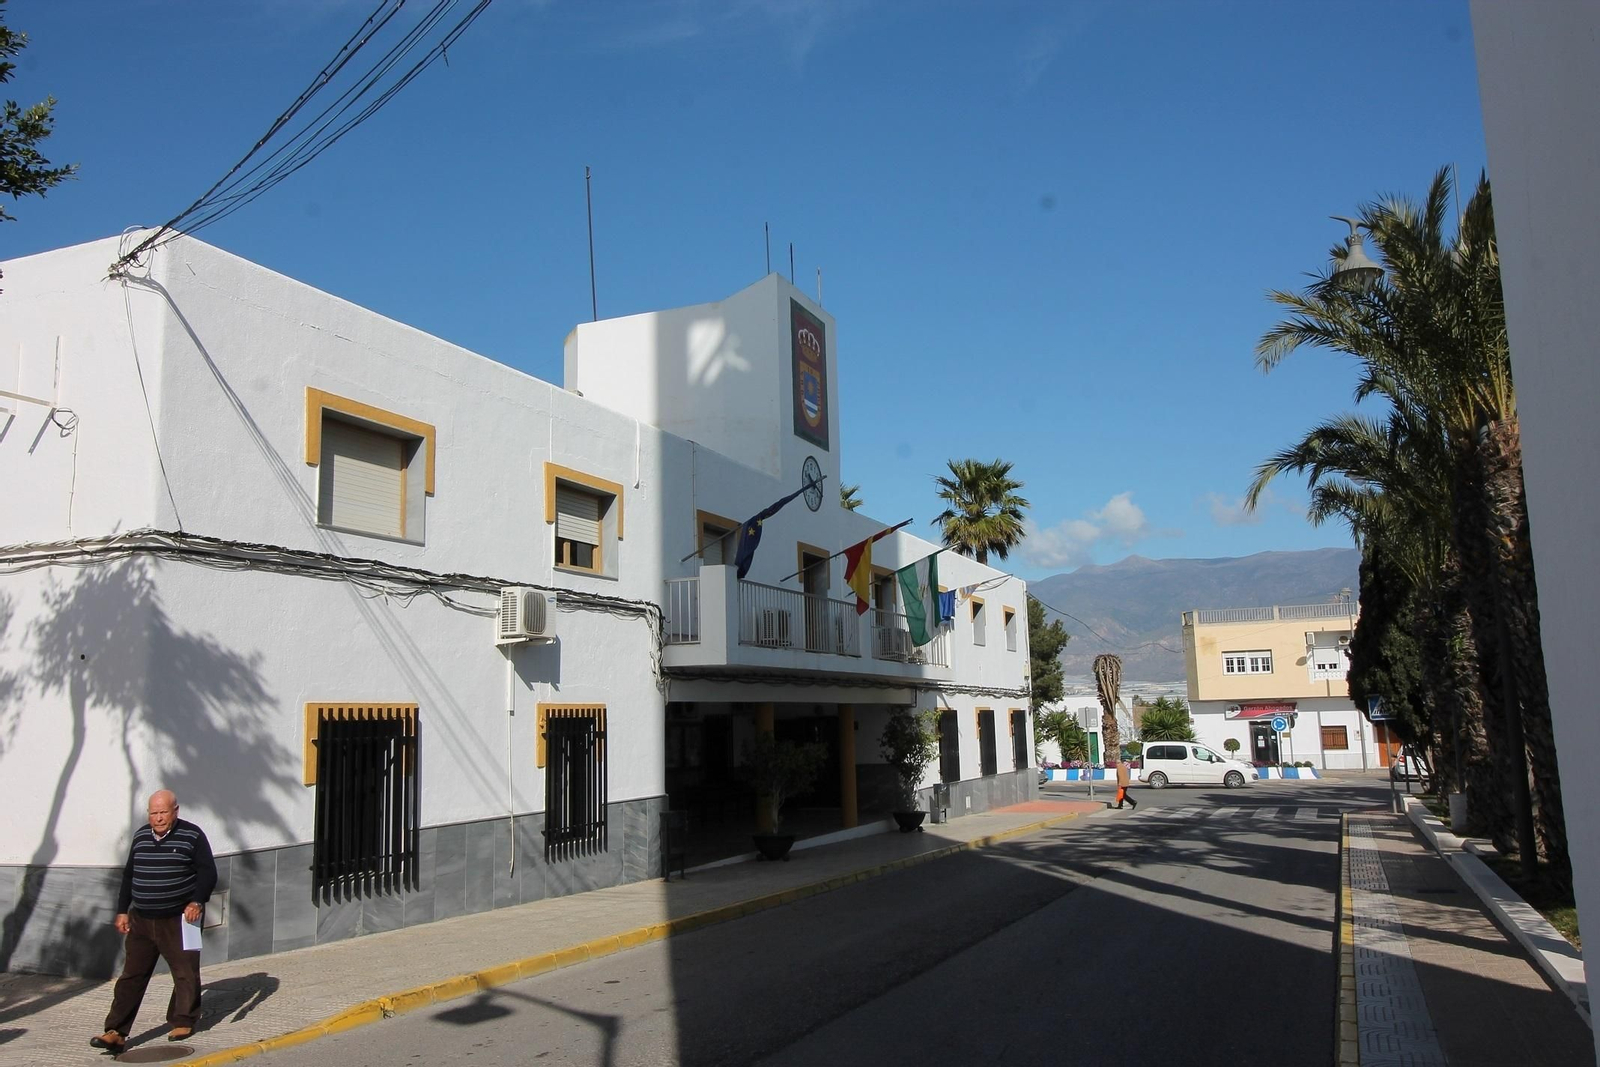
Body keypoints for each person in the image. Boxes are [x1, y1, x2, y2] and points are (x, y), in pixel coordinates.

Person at [90, 790, 217, 1053]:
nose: (158, 818)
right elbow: (129, 876)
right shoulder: (140, 836)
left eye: (163, 812)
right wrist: (122, 910)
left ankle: (183, 1020)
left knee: (185, 972)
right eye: (154, 813)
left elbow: (208, 872)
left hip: (179, 918)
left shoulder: (192, 835)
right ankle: (116, 1031)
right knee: (131, 976)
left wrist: (196, 901)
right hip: (142, 919)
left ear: (175, 811)